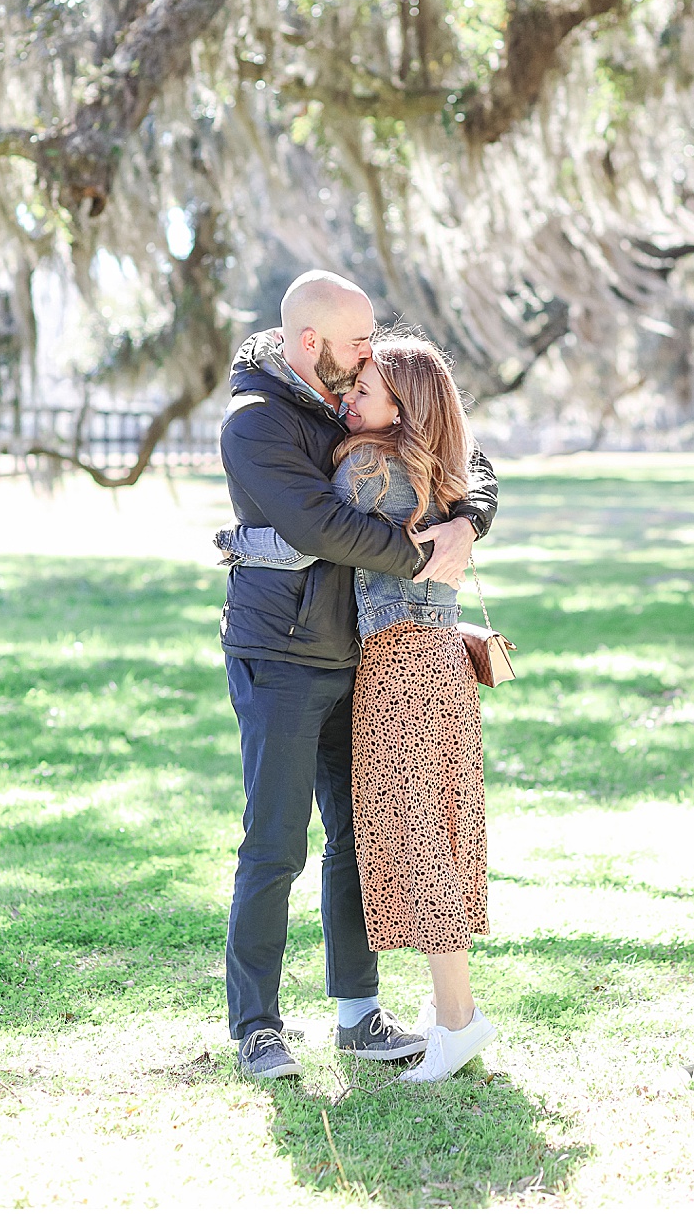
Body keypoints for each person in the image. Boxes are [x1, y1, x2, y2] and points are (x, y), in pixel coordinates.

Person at [217, 270, 498, 1080]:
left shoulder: (341, 398)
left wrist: (467, 523)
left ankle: (358, 1010)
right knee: (276, 843)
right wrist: (426, 551)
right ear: (313, 345)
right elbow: (321, 524)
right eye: (360, 344)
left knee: (356, 838)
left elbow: (457, 449)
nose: (370, 355)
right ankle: (259, 1025)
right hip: (285, 654)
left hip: (366, 658)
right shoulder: (257, 424)